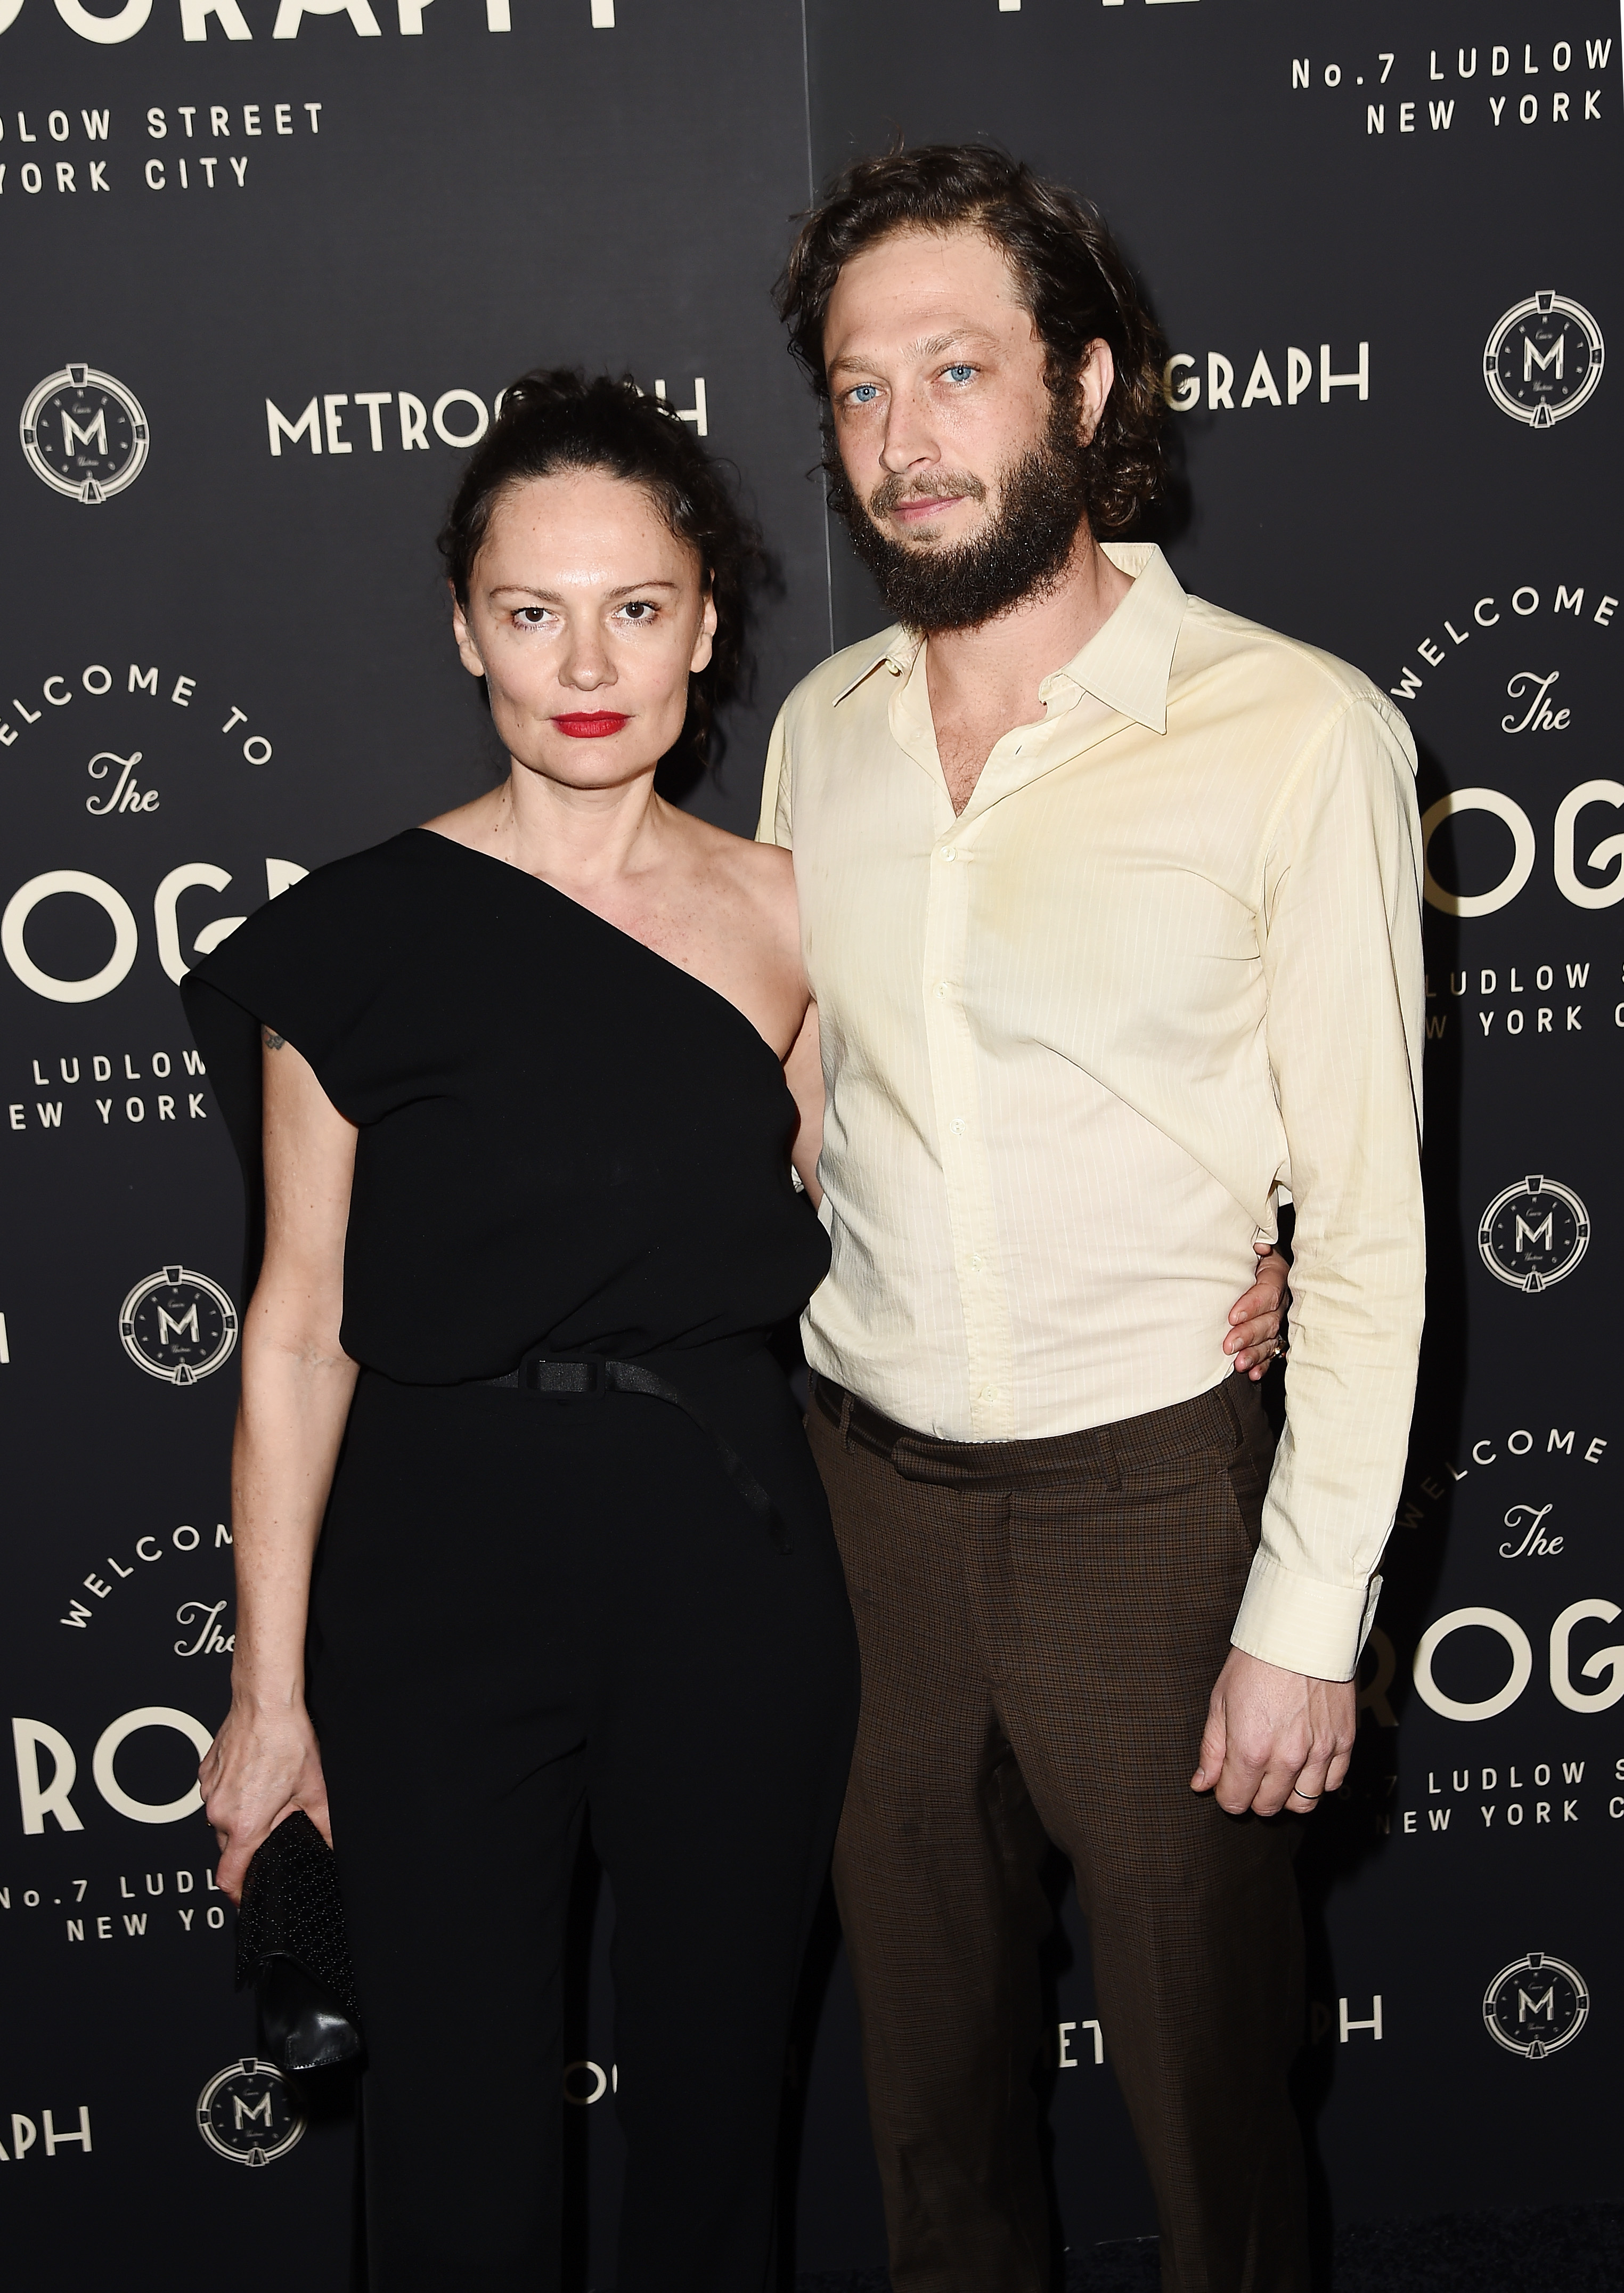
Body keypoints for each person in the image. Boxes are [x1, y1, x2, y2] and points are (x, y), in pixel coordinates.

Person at [763, 147, 1425, 2293]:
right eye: (861, 389)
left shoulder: (1294, 732)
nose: (904, 436)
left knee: (1211, 2125)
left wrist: (1304, 1605)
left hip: (1151, 1508)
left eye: (956, 370)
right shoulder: (817, 736)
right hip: (864, 1509)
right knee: (927, 2118)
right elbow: (812, 1106)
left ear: (1082, 379)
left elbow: (1376, 1212)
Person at [183, 371, 863, 2293]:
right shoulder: (356, 936)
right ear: (463, 626)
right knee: (459, 2136)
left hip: (728, 1566)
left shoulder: (801, 919)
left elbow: (898, 1230)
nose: (586, 660)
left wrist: (1237, 1261)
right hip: (436, 1577)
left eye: (635, 607)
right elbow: (299, 1331)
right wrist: (267, 1695)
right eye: (533, 609)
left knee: (723, 2109)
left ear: (706, 627)